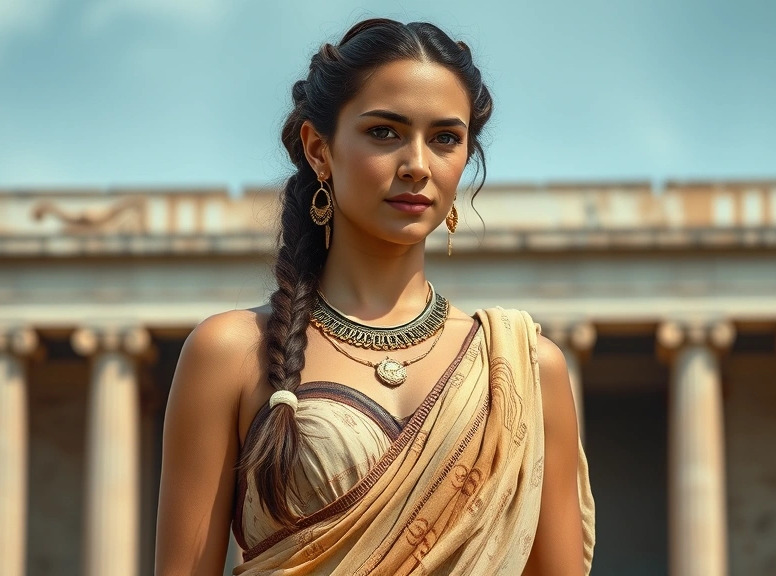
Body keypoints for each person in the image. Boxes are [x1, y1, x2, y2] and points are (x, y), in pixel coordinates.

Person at [155, 18, 595, 576]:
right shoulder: (230, 352)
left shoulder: (524, 367)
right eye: (385, 132)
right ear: (319, 149)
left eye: (445, 138)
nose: (417, 164)